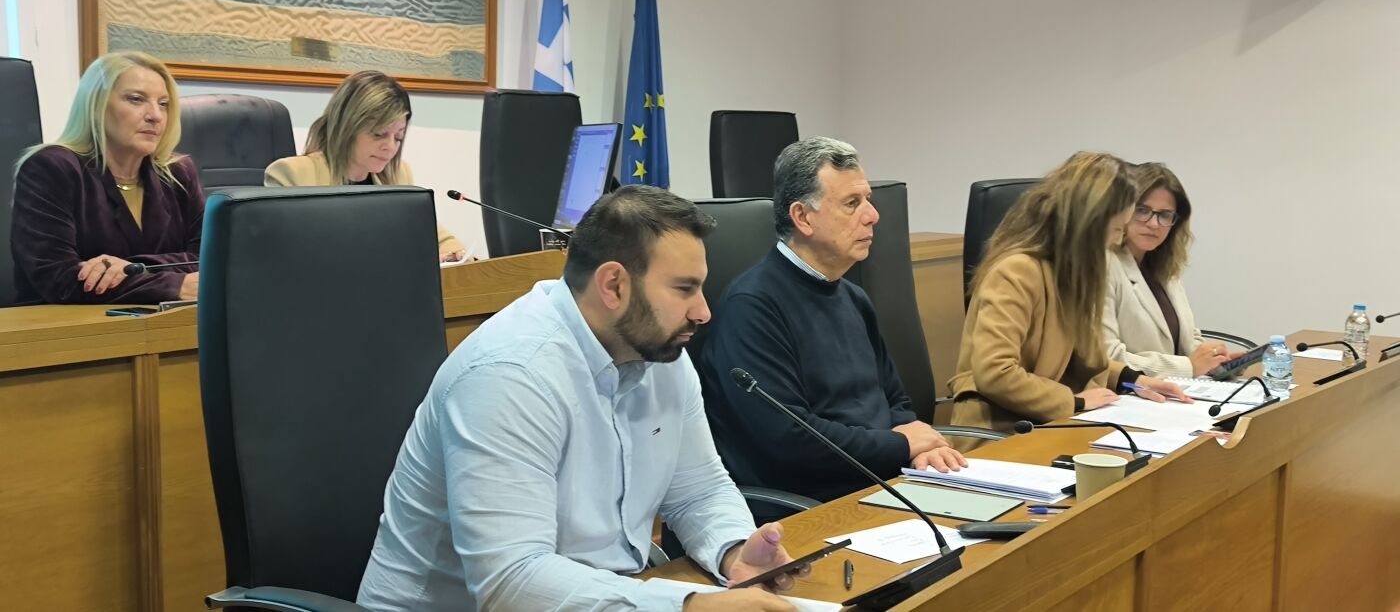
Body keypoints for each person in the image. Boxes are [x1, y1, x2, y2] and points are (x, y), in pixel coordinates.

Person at [357, 185, 802, 612]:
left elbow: (698, 491)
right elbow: (510, 583)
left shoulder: (660, 354)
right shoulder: (511, 375)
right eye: (684, 289)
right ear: (613, 285)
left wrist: (734, 550)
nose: (703, 312)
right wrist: (688, 606)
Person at [698, 137, 965, 515]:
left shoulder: (854, 297)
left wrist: (925, 448)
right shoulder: (752, 307)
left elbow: (894, 400)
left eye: (868, 199)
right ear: (803, 217)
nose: (872, 215)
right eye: (852, 203)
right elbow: (790, 439)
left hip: (885, 487)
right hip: (811, 508)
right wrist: (903, 446)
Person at [949, 152, 1191, 433]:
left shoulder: (1074, 273)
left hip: (1051, 422)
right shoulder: (1017, 271)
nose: (1117, 239)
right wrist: (1074, 402)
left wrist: (1135, 381)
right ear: (1087, 223)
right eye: (1116, 228)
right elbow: (996, 373)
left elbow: (1087, 358)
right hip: (1000, 428)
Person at [11, 52, 202, 305]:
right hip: (66, 324)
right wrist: (172, 283)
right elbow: (58, 277)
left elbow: (208, 258)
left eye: (164, 104)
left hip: (159, 320)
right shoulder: (51, 168)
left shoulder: (177, 173)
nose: (155, 115)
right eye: (136, 99)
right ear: (96, 105)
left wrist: (134, 268)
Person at [263, 70, 467, 262]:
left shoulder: (398, 175)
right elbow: (285, 257)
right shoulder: (292, 175)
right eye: (379, 134)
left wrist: (456, 254)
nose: (390, 147)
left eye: (398, 136)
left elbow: (438, 237)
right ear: (347, 127)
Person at [1103, 162, 1237, 378]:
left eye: (1165, 215)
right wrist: (1188, 366)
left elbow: (1188, 338)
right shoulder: (1104, 266)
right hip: (1129, 392)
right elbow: (1107, 357)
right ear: (1123, 211)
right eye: (1142, 210)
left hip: (1176, 389)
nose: (1154, 224)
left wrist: (1213, 361)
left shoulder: (1165, 267)